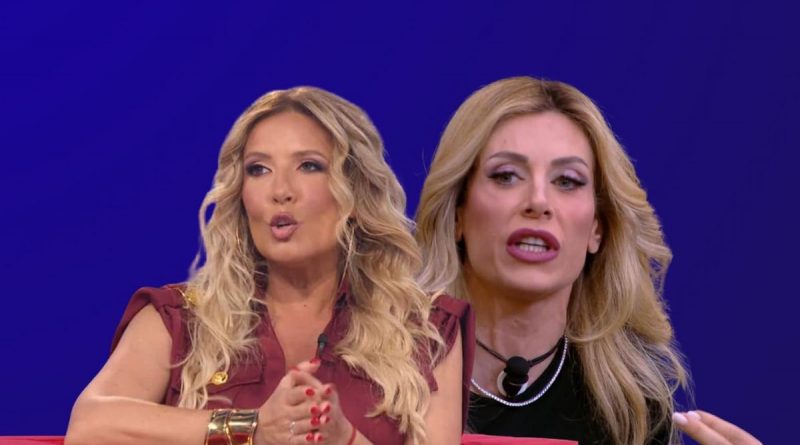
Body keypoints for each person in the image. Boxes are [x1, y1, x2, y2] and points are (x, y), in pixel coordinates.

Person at [65, 86, 471, 445]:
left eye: (309, 165)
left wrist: (343, 440)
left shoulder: (426, 330)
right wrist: (252, 428)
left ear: (354, 191)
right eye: (258, 169)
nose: (280, 191)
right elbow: (91, 426)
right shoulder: (179, 320)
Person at [414, 77, 761, 445]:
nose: (538, 201)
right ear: (458, 214)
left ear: (598, 227)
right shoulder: (381, 373)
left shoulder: (631, 407)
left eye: (567, 181)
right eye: (506, 176)